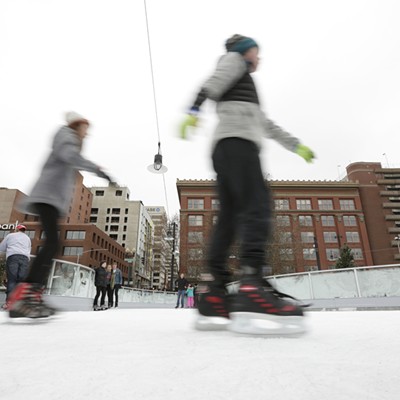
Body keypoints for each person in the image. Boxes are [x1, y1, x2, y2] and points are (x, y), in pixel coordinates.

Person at [180, 34, 315, 335]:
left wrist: (295, 146)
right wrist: (193, 109)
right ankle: (252, 284)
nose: (259, 58)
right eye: (257, 51)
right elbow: (214, 81)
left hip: (227, 148)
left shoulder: (243, 86)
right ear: (246, 51)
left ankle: (214, 292)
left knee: (229, 218)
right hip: (238, 145)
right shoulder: (234, 61)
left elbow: (265, 124)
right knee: (258, 205)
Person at [8, 111, 113, 318]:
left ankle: (27, 297)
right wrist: (98, 169)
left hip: (51, 199)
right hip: (46, 197)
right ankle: (26, 296)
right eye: (85, 129)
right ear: (77, 126)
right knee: (53, 244)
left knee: (53, 245)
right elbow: (70, 156)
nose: (86, 134)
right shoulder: (66, 137)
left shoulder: (69, 140)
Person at [0, 224, 31, 309]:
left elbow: (1, 248)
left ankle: (9, 303)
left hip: (13, 257)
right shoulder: (27, 238)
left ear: (16, 229)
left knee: (12, 279)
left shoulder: (10, 235)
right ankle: (19, 303)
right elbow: (28, 250)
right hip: (25, 259)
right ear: (24, 230)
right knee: (21, 281)